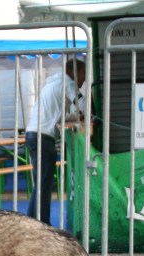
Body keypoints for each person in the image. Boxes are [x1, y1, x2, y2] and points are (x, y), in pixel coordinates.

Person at [26, 59, 86, 224]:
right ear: (74, 72)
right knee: (45, 184)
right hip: (43, 137)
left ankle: (32, 222)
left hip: (33, 133)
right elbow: (82, 103)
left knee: (41, 183)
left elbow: (55, 115)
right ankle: (42, 224)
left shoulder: (53, 83)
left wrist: (74, 116)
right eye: (83, 73)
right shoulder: (68, 84)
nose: (84, 79)